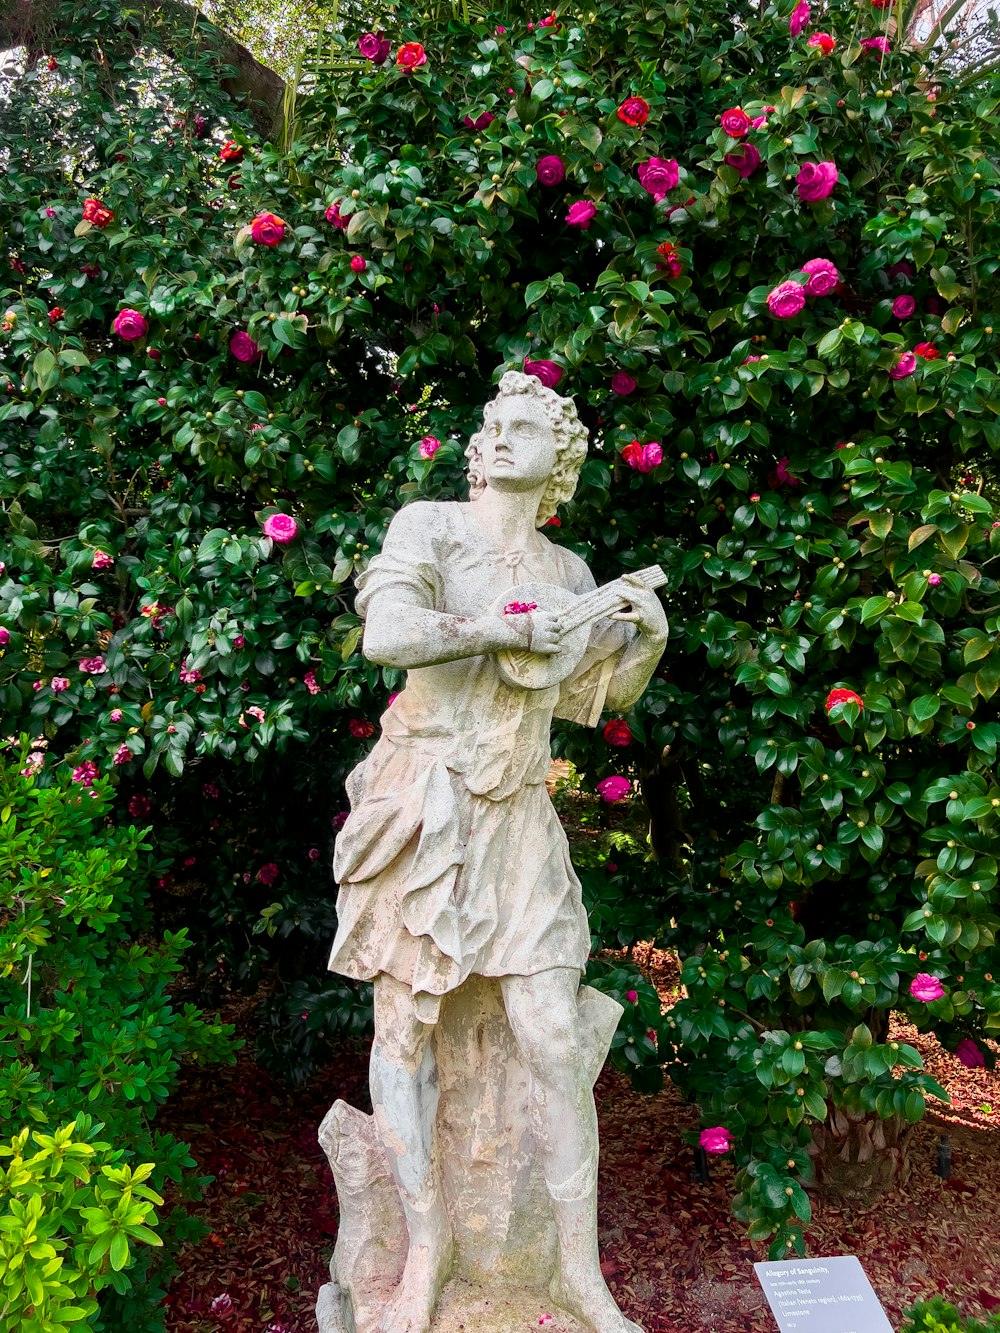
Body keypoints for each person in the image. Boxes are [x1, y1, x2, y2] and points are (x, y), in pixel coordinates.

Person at [329, 370, 667, 1333]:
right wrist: (494, 628)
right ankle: (427, 1255)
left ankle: (577, 1275)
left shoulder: (567, 571)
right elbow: (386, 633)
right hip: (424, 806)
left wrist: (643, 641)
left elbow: (577, 693)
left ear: (557, 461)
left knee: (555, 1037)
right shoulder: (428, 526)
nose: (504, 435)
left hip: (519, 818)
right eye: (497, 423)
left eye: (530, 427)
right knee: (403, 1037)